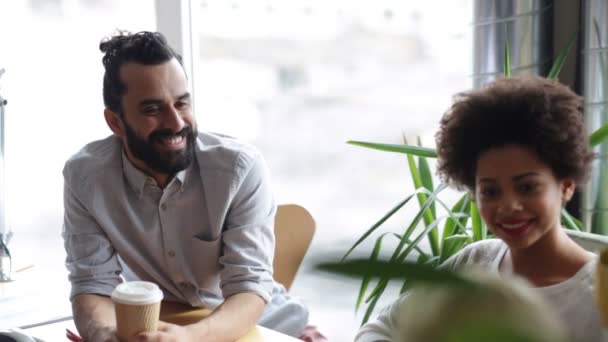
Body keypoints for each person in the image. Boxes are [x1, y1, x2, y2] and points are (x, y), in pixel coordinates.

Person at [62, 31, 309, 342]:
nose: (176, 123)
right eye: (153, 110)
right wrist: (105, 334)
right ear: (115, 123)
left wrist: (188, 338)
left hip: (263, 325)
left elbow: (249, 286)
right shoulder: (86, 177)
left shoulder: (238, 169)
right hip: (161, 322)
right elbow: (92, 283)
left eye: (181, 103)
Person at [355, 76, 602, 341]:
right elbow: (380, 328)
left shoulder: (598, 296)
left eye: (527, 187)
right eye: (490, 191)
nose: (508, 207)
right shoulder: (474, 262)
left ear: (566, 186)